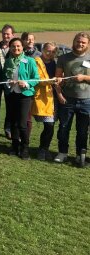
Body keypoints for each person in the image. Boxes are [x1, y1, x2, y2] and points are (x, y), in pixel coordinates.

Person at [54, 32, 90, 166]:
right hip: (67, 99)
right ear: (74, 41)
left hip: (87, 101)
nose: (80, 44)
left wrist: (84, 78)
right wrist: (59, 94)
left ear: (87, 44)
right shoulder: (63, 58)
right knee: (63, 128)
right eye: (78, 41)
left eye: (83, 42)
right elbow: (57, 80)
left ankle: (80, 155)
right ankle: (62, 152)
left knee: (82, 130)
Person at [2, 37, 39, 160]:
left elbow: (36, 78)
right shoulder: (8, 61)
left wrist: (27, 83)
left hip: (25, 95)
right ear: (10, 48)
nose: (16, 48)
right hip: (11, 94)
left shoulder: (29, 61)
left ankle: (25, 148)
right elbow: (4, 78)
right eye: (13, 46)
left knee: (22, 124)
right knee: (13, 122)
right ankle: (14, 146)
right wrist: (8, 82)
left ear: (22, 47)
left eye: (18, 46)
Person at [32, 42, 58, 161]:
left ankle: (44, 148)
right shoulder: (36, 61)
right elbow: (37, 79)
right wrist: (50, 81)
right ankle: (21, 146)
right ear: (42, 50)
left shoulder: (55, 63)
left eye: (53, 52)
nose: (50, 53)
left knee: (49, 125)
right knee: (26, 122)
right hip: (37, 96)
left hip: (51, 98)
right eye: (48, 51)